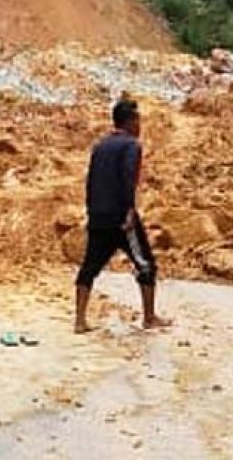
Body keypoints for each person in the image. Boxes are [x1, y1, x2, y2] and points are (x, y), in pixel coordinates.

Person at [74, 97, 171, 333]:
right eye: (138, 119)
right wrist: (129, 210)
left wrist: (91, 210)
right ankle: (149, 317)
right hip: (120, 215)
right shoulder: (131, 146)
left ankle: (79, 320)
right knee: (145, 263)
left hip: (98, 214)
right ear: (130, 121)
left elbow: (91, 181)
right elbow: (129, 178)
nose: (140, 125)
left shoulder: (99, 146)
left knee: (89, 266)